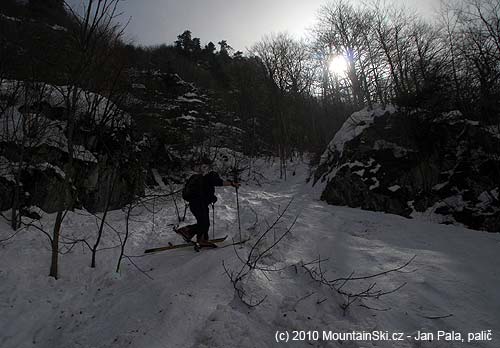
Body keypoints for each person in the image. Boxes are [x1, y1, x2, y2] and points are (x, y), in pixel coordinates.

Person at [178, 169, 240, 245]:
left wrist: (213, 198)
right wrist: (231, 183)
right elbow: (219, 182)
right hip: (198, 204)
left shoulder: (205, 184)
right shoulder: (209, 179)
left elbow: (207, 195)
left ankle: (197, 236)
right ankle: (198, 238)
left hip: (198, 205)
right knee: (204, 223)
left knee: (205, 223)